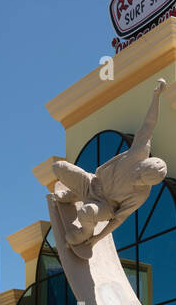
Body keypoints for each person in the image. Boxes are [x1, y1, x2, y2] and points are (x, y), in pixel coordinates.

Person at [49, 79, 169, 258]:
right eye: (139, 174)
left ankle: (85, 232)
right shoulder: (139, 151)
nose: (137, 180)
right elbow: (149, 124)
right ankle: (74, 195)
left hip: (104, 205)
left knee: (86, 212)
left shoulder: (140, 195)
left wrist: (96, 237)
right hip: (92, 184)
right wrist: (156, 96)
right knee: (59, 167)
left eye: (142, 182)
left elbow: (118, 220)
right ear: (144, 163)